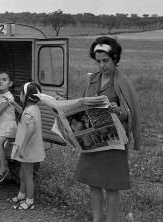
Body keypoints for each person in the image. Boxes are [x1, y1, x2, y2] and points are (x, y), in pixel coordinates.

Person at [74, 36, 141, 222]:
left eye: (106, 61)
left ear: (115, 59)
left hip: (113, 140)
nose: (102, 65)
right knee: (93, 183)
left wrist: (119, 111)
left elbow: (131, 113)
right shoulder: (92, 80)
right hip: (92, 137)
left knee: (111, 185)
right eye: (98, 62)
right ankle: (97, 219)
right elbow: (82, 103)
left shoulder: (122, 82)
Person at [10, 82, 45, 210]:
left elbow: (31, 128)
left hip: (27, 150)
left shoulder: (28, 112)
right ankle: (21, 195)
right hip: (29, 148)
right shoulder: (33, 108)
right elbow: (24, 113)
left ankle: (29, 201)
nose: (19, 95)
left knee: (28, 175)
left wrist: (23, 147)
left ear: (27, 97)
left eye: (21, 93)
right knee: (22, 173)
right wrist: (14, 104)